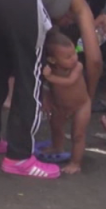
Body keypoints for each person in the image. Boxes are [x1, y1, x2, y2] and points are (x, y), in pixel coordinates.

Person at [0, 0, 101, 178]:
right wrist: (89, 97)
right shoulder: (76, 1)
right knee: (29, 75)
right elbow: (94, 59)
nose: (65, 23)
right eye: (68, 20)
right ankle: (19, 158)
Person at [39, 30, 91, 175]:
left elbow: (69, 81)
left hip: (81, 106)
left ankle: (75, 162)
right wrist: (47, 99)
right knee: (55, 126)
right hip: (60, 106)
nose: (74, 58)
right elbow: (48, 87)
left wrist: (49, 77)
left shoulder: (77, 67)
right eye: (68, 57)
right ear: (53, 60)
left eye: (74, 53)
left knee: (78, 135)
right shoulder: (51, 70)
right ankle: (57, 146)